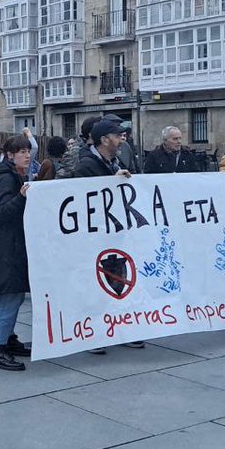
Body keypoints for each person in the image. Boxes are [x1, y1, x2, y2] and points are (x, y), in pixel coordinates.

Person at [74, 119, 144, 351]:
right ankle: (93, 334)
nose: (122, 139)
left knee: (120, 283)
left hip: (116, 233)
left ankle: (121, 328)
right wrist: (112, 183)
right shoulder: (86, 165)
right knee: (97, 286)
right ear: (105, 140)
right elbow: (86, 198)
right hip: (95, 237)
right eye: (118, 135)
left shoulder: (116, 160)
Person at [0, 135, 35, 371]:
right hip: (4, 247)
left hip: (11, 245)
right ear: (10, 155)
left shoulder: (14, 175)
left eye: (28, 151)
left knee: (14, 294)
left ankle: (9, 340)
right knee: (8, 296)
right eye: (21, 151)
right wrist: (21, 197)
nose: (27, 155)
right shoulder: (5, 178)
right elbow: (2, 212)